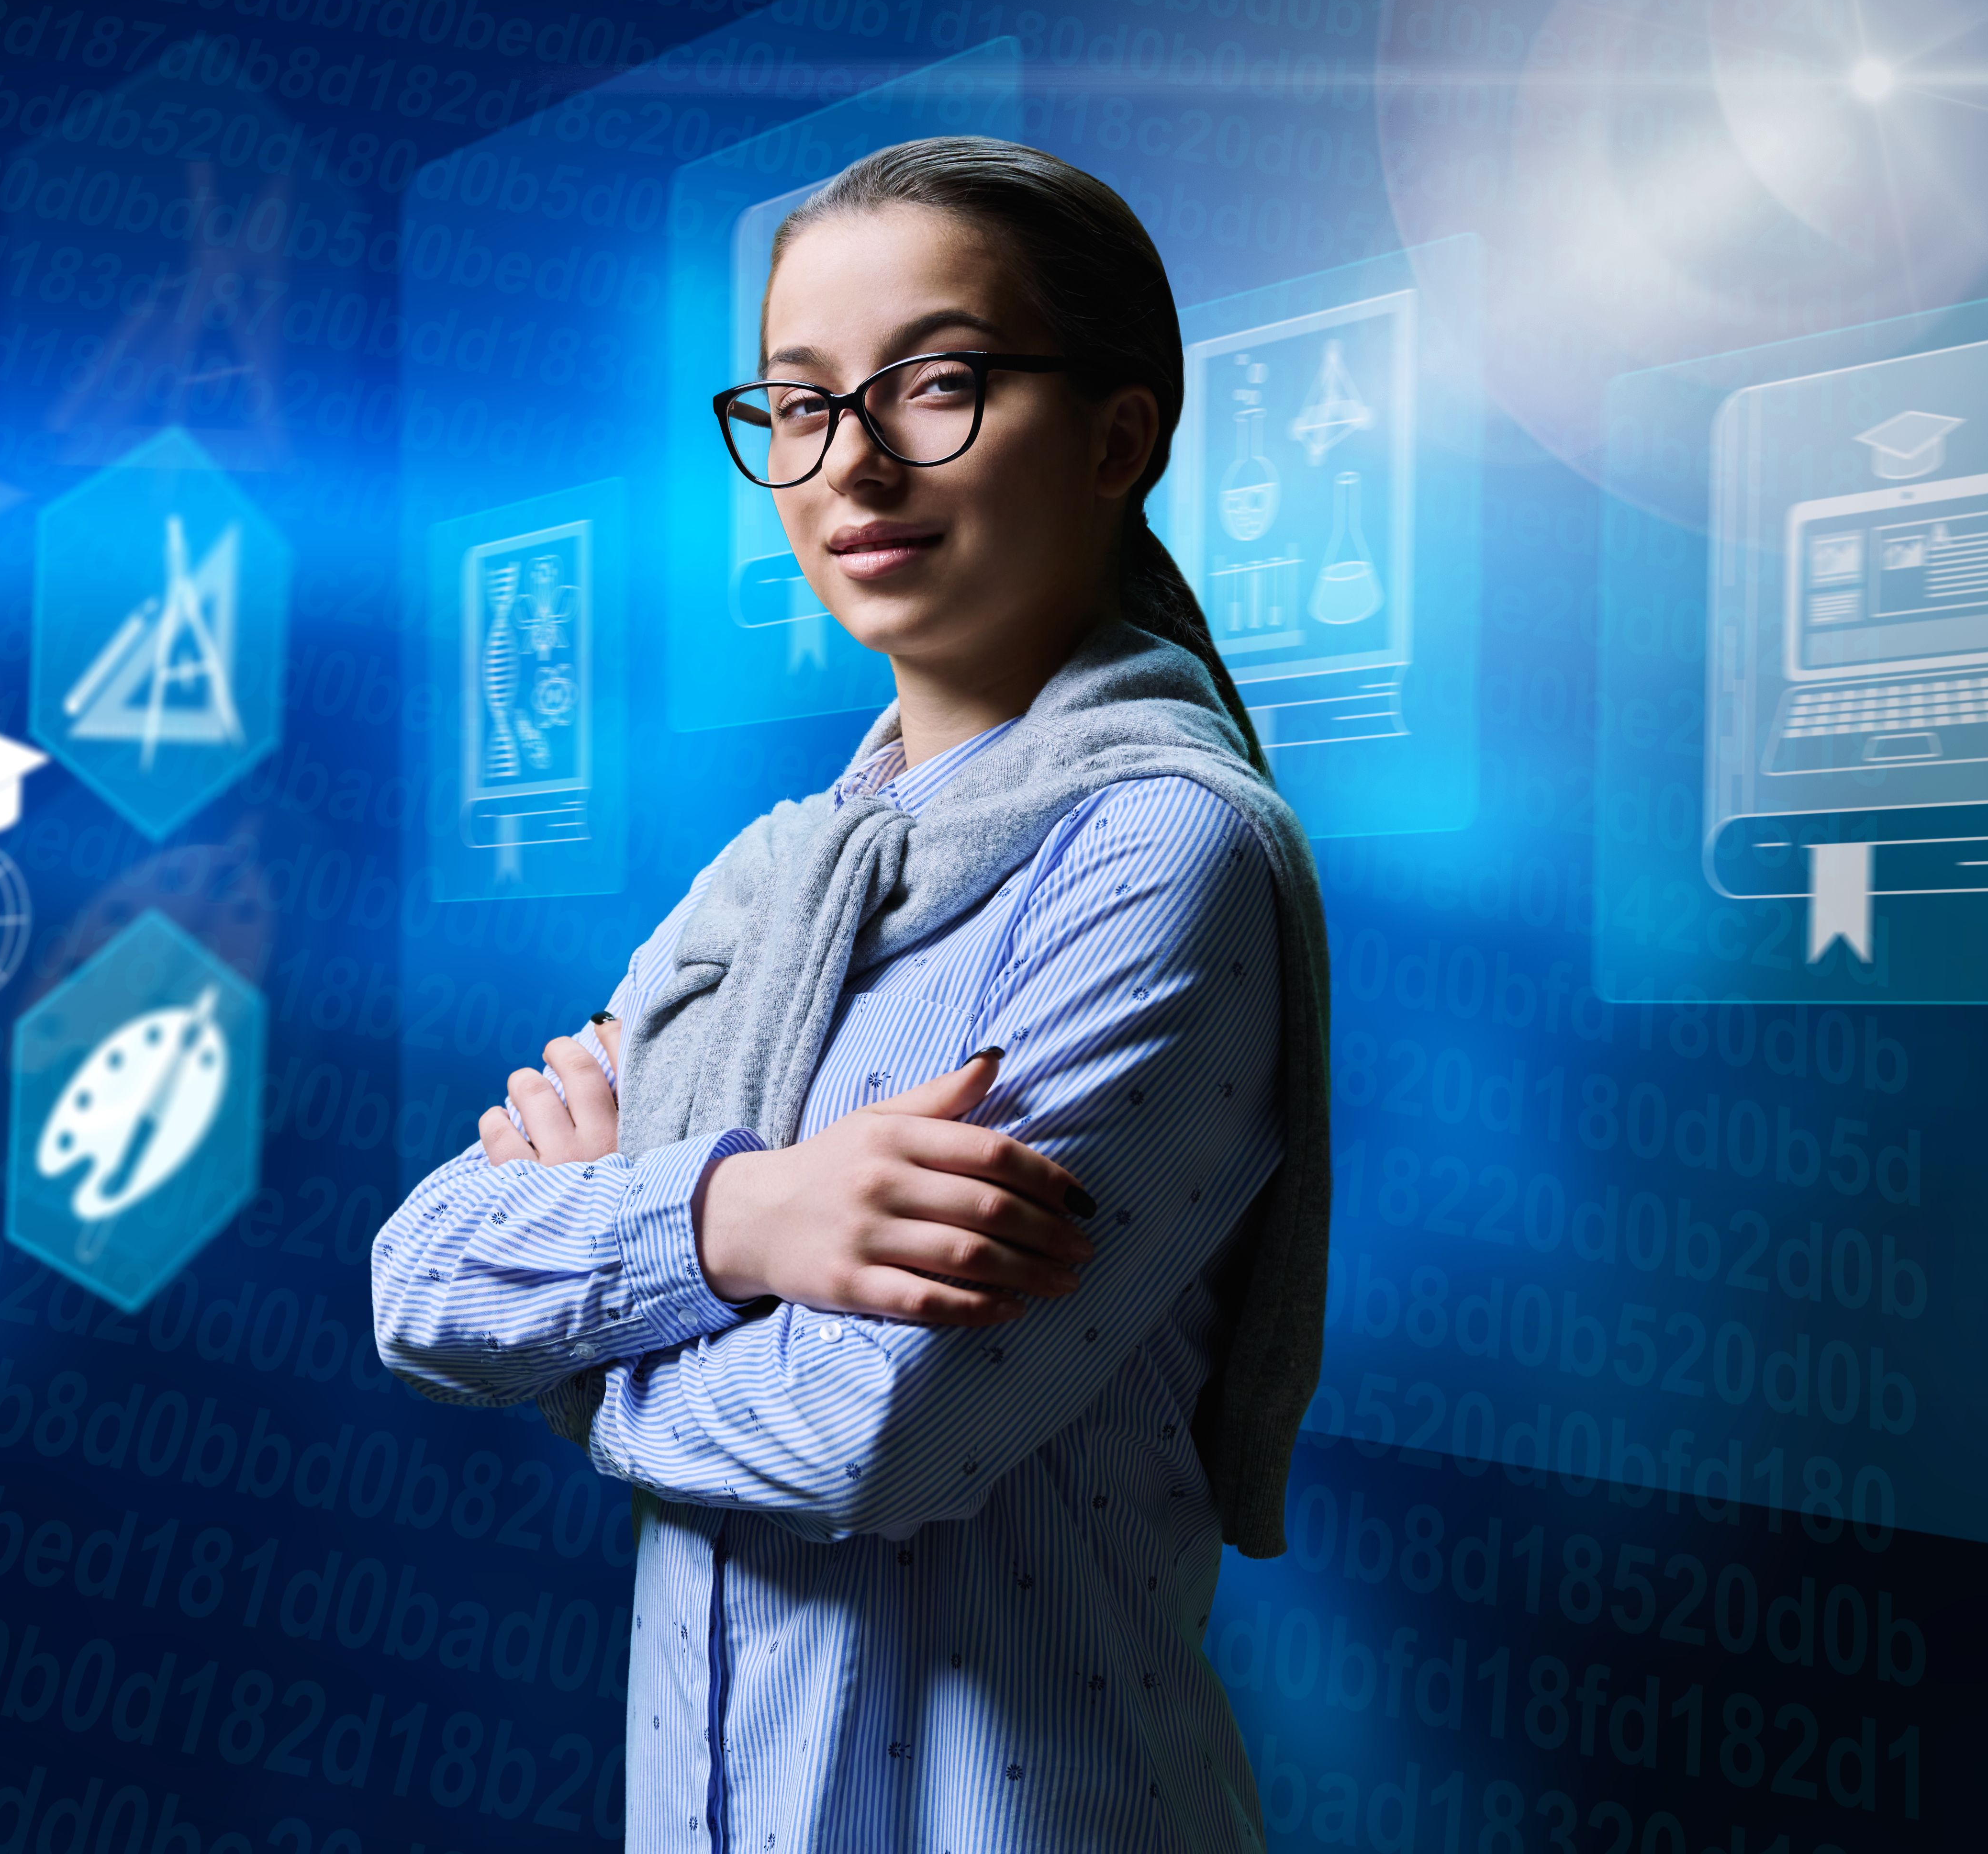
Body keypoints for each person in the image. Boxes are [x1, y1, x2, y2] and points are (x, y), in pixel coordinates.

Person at [368, 136, 1333, 1852]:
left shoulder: (1164, 852)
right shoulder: (779, 879)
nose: (851, 464)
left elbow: (863, 1437)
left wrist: (585, 1315)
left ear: (1118, 438)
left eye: (937, 384)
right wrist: (743, 1221)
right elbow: (422, 1279)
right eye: (803, 403)